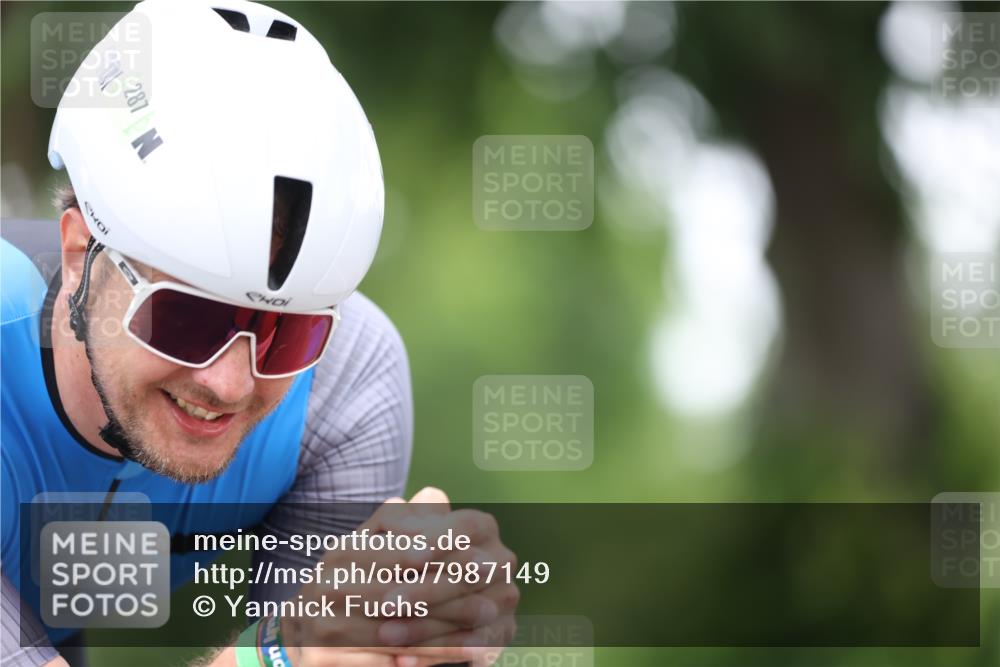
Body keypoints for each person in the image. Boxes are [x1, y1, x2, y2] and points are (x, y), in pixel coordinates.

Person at [1, 1, 517, 666]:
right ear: (80, 255)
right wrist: (276, 655)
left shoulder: (347, 382)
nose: (229, 382)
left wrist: (411, 634)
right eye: (185, 317)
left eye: (289, 333)